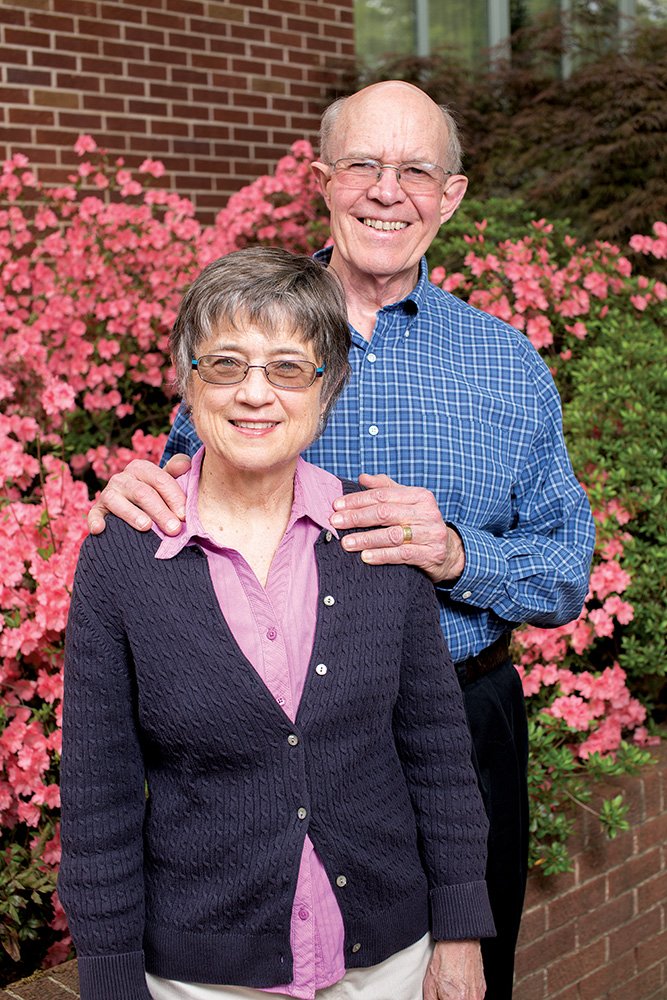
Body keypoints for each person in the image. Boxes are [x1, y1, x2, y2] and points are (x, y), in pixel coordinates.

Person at [86, 82, 596, 999]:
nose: (386, 191)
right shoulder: (254, 332)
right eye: (362, 165)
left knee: (464, 976)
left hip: (460, 723)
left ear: (453, 196)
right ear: (320, 179)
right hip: (256, 742)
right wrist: (130, 491)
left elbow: (565, 571)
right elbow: (180, 506)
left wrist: (455, 554)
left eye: (415, 171)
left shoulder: (505, 363)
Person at [59, 247, 495, 1000]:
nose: (254, 394)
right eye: (225, 363)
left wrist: (457, 933)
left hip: (388, 963)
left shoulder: (375, 535)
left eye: (288, 367)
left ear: (328, 388)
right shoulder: (124, 558)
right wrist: (110, 981)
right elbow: (98, 795)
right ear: (187, 380)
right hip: (202, 979)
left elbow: (436, 753)